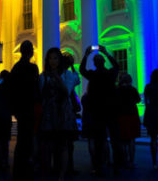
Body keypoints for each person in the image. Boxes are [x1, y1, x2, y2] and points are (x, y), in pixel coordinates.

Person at [80, 45, 122, 176]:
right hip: (111, 110)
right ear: (103, 62)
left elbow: (82, 70)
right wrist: (107, 53)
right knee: (114, 140)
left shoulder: (93, 75)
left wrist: (86, 55)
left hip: (98, 112)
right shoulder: (110, 74)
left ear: (95, 63)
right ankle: (115, 166)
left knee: (99, 140)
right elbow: (117, 66)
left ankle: (99, 166)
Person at [39, 48, 78, 180]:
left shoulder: (67, 75)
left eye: (55, 58)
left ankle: (61, 174)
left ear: (59, 60)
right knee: (47, 145)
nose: (52, 61)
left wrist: (57, 77)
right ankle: (48, 171)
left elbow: (67, 91)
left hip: (63, 114)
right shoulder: (43, 76)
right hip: (49, 114)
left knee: (63, 145)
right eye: (50, 58)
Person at [11, 40, 39, 181]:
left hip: (19, 108)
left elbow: (12, 89)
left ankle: (18, 169)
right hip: (28, 107)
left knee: (21, 140)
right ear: (31, 52)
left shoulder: (15, 68)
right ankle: (26, 168)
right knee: (27, 139)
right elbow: (36, 88)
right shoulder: (32, 68)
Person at [116, 72, 141, 168]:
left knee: (122, 140)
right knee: (131, 140)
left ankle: (124, 159)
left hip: (121, 116)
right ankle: (131, 160)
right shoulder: (132, 89)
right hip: (132, 116)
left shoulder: (117, 90)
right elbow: (138, 100)